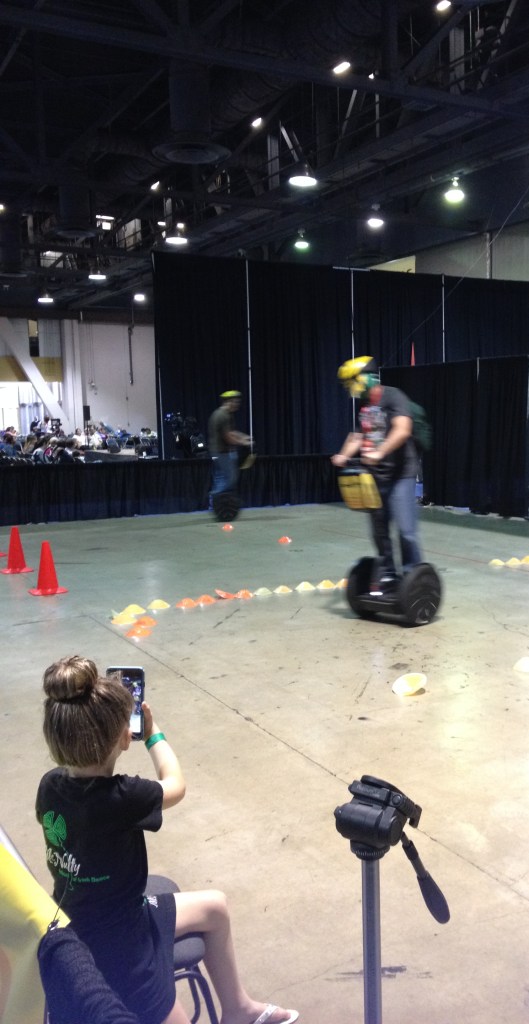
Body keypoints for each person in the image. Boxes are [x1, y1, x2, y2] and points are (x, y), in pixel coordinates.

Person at [36, 655, 299, 1024]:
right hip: (127, 947)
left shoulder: (49, 786)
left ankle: (238, 1008)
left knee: (215, 907)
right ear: (124, 738)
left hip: (74, 925)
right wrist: (153, 733)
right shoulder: (124, 797)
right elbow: (175, 783)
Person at [331, 356, 422, 587]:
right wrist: (343, 455)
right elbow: (358, 435)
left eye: (352, 382)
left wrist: (380, 452)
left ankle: (413, 577)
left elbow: (402, 430)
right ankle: (388, 572)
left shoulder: (393, 396)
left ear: (367, 378)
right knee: (379, 531)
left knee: (405, 530)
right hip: (375, 477)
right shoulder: (364, 405)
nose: (350, 388)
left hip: (401, 474)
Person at [208, 391, 251, 501]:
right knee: (230, 478)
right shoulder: (222, 416)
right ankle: (216, 498)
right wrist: (243, 442)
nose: (237, 404)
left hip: (218, 452)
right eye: (236, 402)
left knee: (221, 478)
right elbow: (228, 438)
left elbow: (231, 432)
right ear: (229, 402)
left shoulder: (225, 414)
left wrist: (243, 437)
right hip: (221, 452)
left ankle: (217, 501)